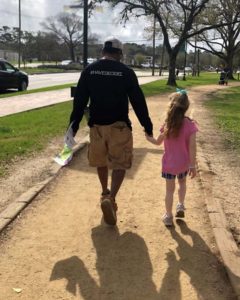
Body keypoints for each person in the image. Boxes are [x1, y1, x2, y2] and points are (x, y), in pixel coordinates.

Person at [69, 37, 153, 226]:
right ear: (120, 54)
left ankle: (104, 192)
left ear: (102, 52)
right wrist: (147, 125)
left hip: (96, 126)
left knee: (101, 161)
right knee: (119, 164)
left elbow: (79, 101)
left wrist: (73, 127)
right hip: (119, 126)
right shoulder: (126, 72)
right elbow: (138, 100)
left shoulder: (89, 70)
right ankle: (112, 198)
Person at [145, 89, 198, 226]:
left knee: (169, 190)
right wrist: (193, 166)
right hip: (183, 164)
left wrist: (148, 137)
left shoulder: (168, 124)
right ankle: (180, 205)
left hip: (169, 164)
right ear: (186, 107)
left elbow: (157, 142)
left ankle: (168, 216)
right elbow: (192, 147)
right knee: (182, 183)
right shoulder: (190, 125)